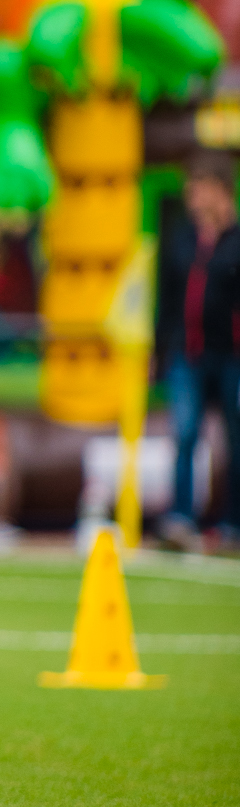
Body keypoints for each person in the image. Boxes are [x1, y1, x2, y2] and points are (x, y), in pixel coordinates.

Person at [155, 150, 240, 552]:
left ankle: (232, 523)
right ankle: (181, 519)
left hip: (231, 355)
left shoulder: (235, 240)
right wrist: (160, 349)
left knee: (235, 438)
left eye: (199, 187)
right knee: (185, 432)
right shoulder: (181, 238)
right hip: (188, 353)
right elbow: (167, 298)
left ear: (221, 191)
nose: (192, 196)